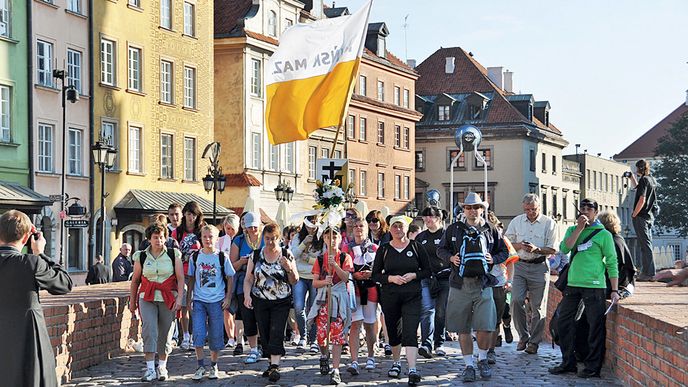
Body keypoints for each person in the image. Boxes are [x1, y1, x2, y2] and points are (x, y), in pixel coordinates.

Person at [437, 192, 509, 382]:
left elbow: (504, 251)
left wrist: (494, 259)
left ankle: (482, 358)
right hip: (459, 283)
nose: (472, 211)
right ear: (464, 210)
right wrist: (450, 258)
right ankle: (469, 364)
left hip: (483, 283)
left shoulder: (491, 229)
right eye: (468, 208)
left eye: (476, 207)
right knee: (463, 328)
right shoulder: (453, 229)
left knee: (485, 326)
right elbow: (441, 250)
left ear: (482, 209)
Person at [0, 210, 73, 387]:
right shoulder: (32, 263)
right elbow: (64, 284)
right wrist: (40, 253)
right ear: (26, 238)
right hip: (27, 338)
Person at [549, 198, 619, 378]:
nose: (586, 210)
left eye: (590, 208)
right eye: (583, 207)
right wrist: (579, 228)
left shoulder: (604, 234)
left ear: (596, 212)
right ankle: (568, 362)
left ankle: (592, 366)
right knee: (563, 323)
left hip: (594, 285)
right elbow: (564, 249)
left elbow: (612, 262)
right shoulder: (573, 229)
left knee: (595, 325)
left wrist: (614, 289)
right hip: (573, 284)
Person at [372, 215, 431, 386]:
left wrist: (414, 275)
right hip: (390, 296)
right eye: (395, 227)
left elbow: (427, 270)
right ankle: (396, 362)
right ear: (390, 229)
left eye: (401, 226)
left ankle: (412, 368)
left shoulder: (416, 247)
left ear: (407, 228)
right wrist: (390, 278)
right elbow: (375, 275)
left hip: (412, 294)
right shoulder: (383, 250)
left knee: (410, 330)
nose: (398, 230)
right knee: (393, 331)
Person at [130, 222, 185, 382]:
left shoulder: (173, 255)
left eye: (161, 237)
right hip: (147, 297)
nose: (159, 241)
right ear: (149, 239)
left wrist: (180, 298)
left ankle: (162, 366)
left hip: (168, 297)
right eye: (155, 237)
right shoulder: (141, 256)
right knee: (149, 329)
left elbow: (180, 279)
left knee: (166, 332)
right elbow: (135, 281)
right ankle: (149, 369)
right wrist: (132, 302)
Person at [244, 223, 299, 382]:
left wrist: (288, 268)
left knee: (276, 330)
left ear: (279, 237)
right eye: (267, 239)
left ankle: (275, 365)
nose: (269, 242)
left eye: (273, 239)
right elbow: (248, 279)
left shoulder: (286, 254)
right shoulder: (256, 255)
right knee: (265, 331)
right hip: (260, 299)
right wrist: (247, 296)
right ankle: (270, 364)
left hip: (281, 300)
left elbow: (295, 280)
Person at [504, 193, 558, 355]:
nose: (530, 212)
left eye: (533, 209)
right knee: (515, 301)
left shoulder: (549, 223)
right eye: (527, 209)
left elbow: (553, 249)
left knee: (538, 307)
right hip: (520, 266)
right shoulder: (517, 221)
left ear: (539, 207)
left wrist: (537, 249)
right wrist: (520, 245)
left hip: (539, 266)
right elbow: (506, 243)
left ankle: (534, 342)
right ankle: (522, 336)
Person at [187, 224, 235, 380]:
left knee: (216, 334)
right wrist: (189, 298)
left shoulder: (221, 257)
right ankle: (200, 365)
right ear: (201, 238)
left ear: (217, 239)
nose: (207, 240)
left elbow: (230, 277)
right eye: (204, 237)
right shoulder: (195, 256)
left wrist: (228, 297)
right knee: (198, 333)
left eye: (211, 237)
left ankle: (214, 365)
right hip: (199, 300)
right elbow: (192, 278)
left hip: (216, 300)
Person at [308, 226, 354, 385]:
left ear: (340, 239)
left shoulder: (345, 257)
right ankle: (323, 355)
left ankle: (336, 369)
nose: (332, 240)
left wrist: (335, 265)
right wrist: (324, 282)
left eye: (335, 237)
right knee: (322, 335)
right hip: (323, 301)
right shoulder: (320, 259)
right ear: (324, 239)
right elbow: (314, 283)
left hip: (338, 299)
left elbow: (346, 277)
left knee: (337, 335)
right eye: (328, 237)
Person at [346, 217, 380, 375]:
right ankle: (354, 360)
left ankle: (371, 356)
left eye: (361, 226)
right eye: (356, 226)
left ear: (366, 229)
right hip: (354, 290)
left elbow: (381, 270)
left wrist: (371, 274)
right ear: (352, 230)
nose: (359, 229)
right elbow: (343, 268)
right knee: (355, 324)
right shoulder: (347, 248)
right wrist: (354, 275)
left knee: (369, 323)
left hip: (370, 289)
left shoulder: (375, 248)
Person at [415, 206, 449, 358]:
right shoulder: (421, 237)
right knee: (427, 310)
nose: (427, 219)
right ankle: (426, 343)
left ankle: (439, 343)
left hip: (444, 277)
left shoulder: (446, 235)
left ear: (439, 218)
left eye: (431, 216)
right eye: (425, 216)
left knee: (441, 312)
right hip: (426, 278)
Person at [229, 211, 264, 361]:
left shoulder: (265, 238)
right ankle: (253, 349)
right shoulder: (239, 240)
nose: (253, 230)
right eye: (250, 227)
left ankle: (264, 345)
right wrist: (243, 262)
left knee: (263, 316)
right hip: (244, 280)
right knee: (247, 315)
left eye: (255, 227)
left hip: (264, 281)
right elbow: (231, 267)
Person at [171, 201, 205, 350]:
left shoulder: (201, 231)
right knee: (184, 304)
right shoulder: (178, 232)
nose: (191, 217)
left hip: (198, 273)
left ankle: (196, 336)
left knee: (196, 305)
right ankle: (185, 336)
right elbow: (172, 252)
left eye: (194, 215)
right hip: (182, 272)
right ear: (184, 214)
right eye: (189, 214)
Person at [289, 216, 323, 352]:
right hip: (300, 276)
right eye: (309, 226)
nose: (311, 229)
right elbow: (292, 255)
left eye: (314, 226)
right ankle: (303, 336)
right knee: (298, 307)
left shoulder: (321, 237)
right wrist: (304, 243)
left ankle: (313, 339)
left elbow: (322, 259)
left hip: (315, 276)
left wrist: (309, 259)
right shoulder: (298, 237)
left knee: (314, 308)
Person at [629, 159, 658, 281]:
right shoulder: (651, 179)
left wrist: (634, 214)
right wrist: (631, 178)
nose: (636, 171)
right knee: (646, 244)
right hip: (649, 216)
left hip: (642, 216)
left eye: (637, 169)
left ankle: (649, 273)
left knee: (645, 245)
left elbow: (642, 199)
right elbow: (639, 188)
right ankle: (648, 272)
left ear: (640, 169)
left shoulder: (644, 180)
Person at [216, 213, 240, 347]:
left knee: (237, 309)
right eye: (227, 228)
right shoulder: (220, 241)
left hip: (237, 275)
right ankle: (230, 337)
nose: (229, 231)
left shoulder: (240, 240)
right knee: (226, 307)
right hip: (224, 277)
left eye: (232, 228)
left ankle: (237, 336)